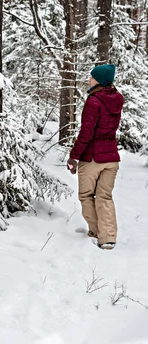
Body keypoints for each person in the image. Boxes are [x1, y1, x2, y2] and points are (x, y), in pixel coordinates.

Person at [67, 64, 124, 250]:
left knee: (86, 195)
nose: (89, 79)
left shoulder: (94, 101)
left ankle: (96, 231)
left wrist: (74, 157)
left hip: (92, 157)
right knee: (104, 197)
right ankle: (107, 238)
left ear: (99, 80)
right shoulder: (117, 99)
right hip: (111, 158)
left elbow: (86, 132)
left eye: (92, 77)